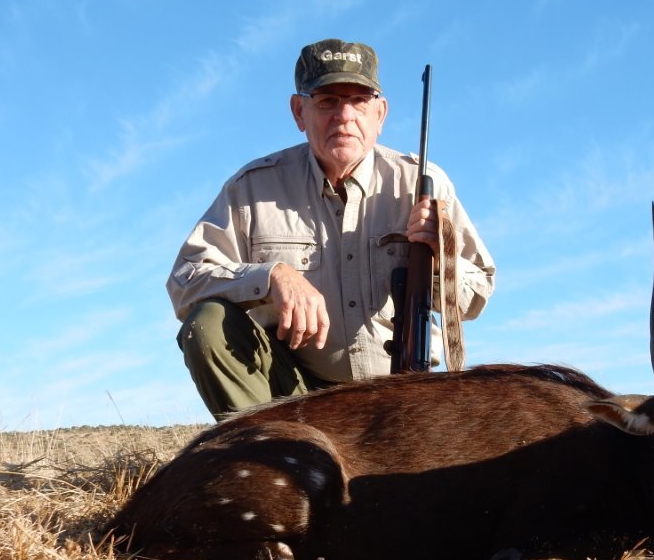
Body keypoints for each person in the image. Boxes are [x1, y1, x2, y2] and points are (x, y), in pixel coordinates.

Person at [167, 39, 496, 420]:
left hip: (402, 395)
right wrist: (272, 275)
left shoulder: (423, 182)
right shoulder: (251, 188)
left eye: (359, 100)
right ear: (299, 112)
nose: (344, 115)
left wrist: (443, 259)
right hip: (295, 398)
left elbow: (477, 295)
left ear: (380, 113)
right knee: (207, 326)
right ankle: (269, 457)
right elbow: (184, 279)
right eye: (327, 100)